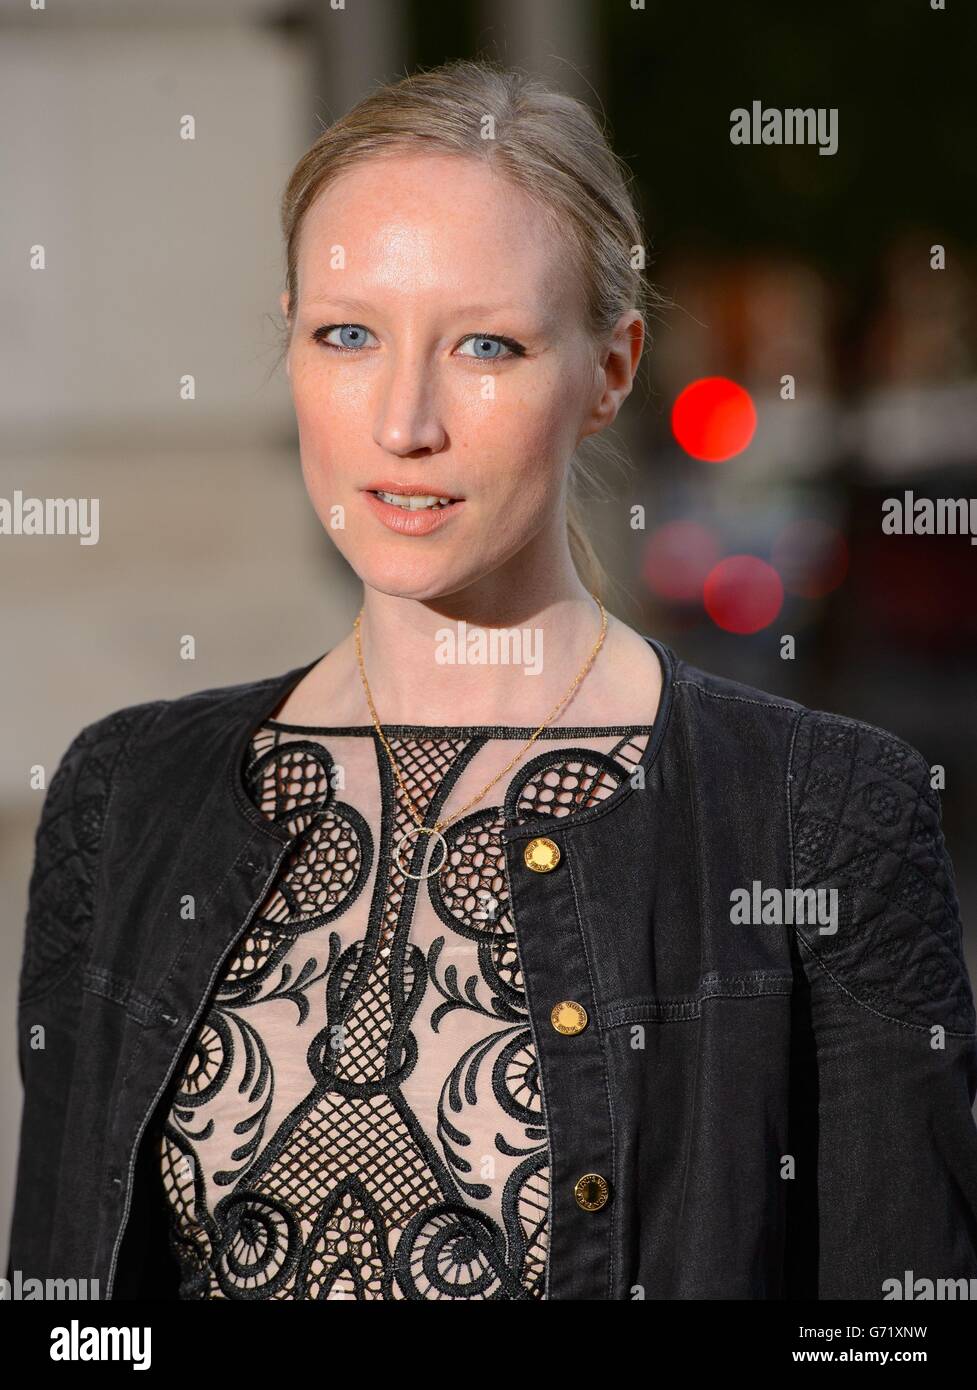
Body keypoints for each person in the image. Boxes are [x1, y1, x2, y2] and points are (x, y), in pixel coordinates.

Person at [8, 58, 977, 1302]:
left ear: (609, 370)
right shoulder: (125, 794)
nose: (402, 421)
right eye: (347, 334)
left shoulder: (819, 815)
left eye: (486, 344)